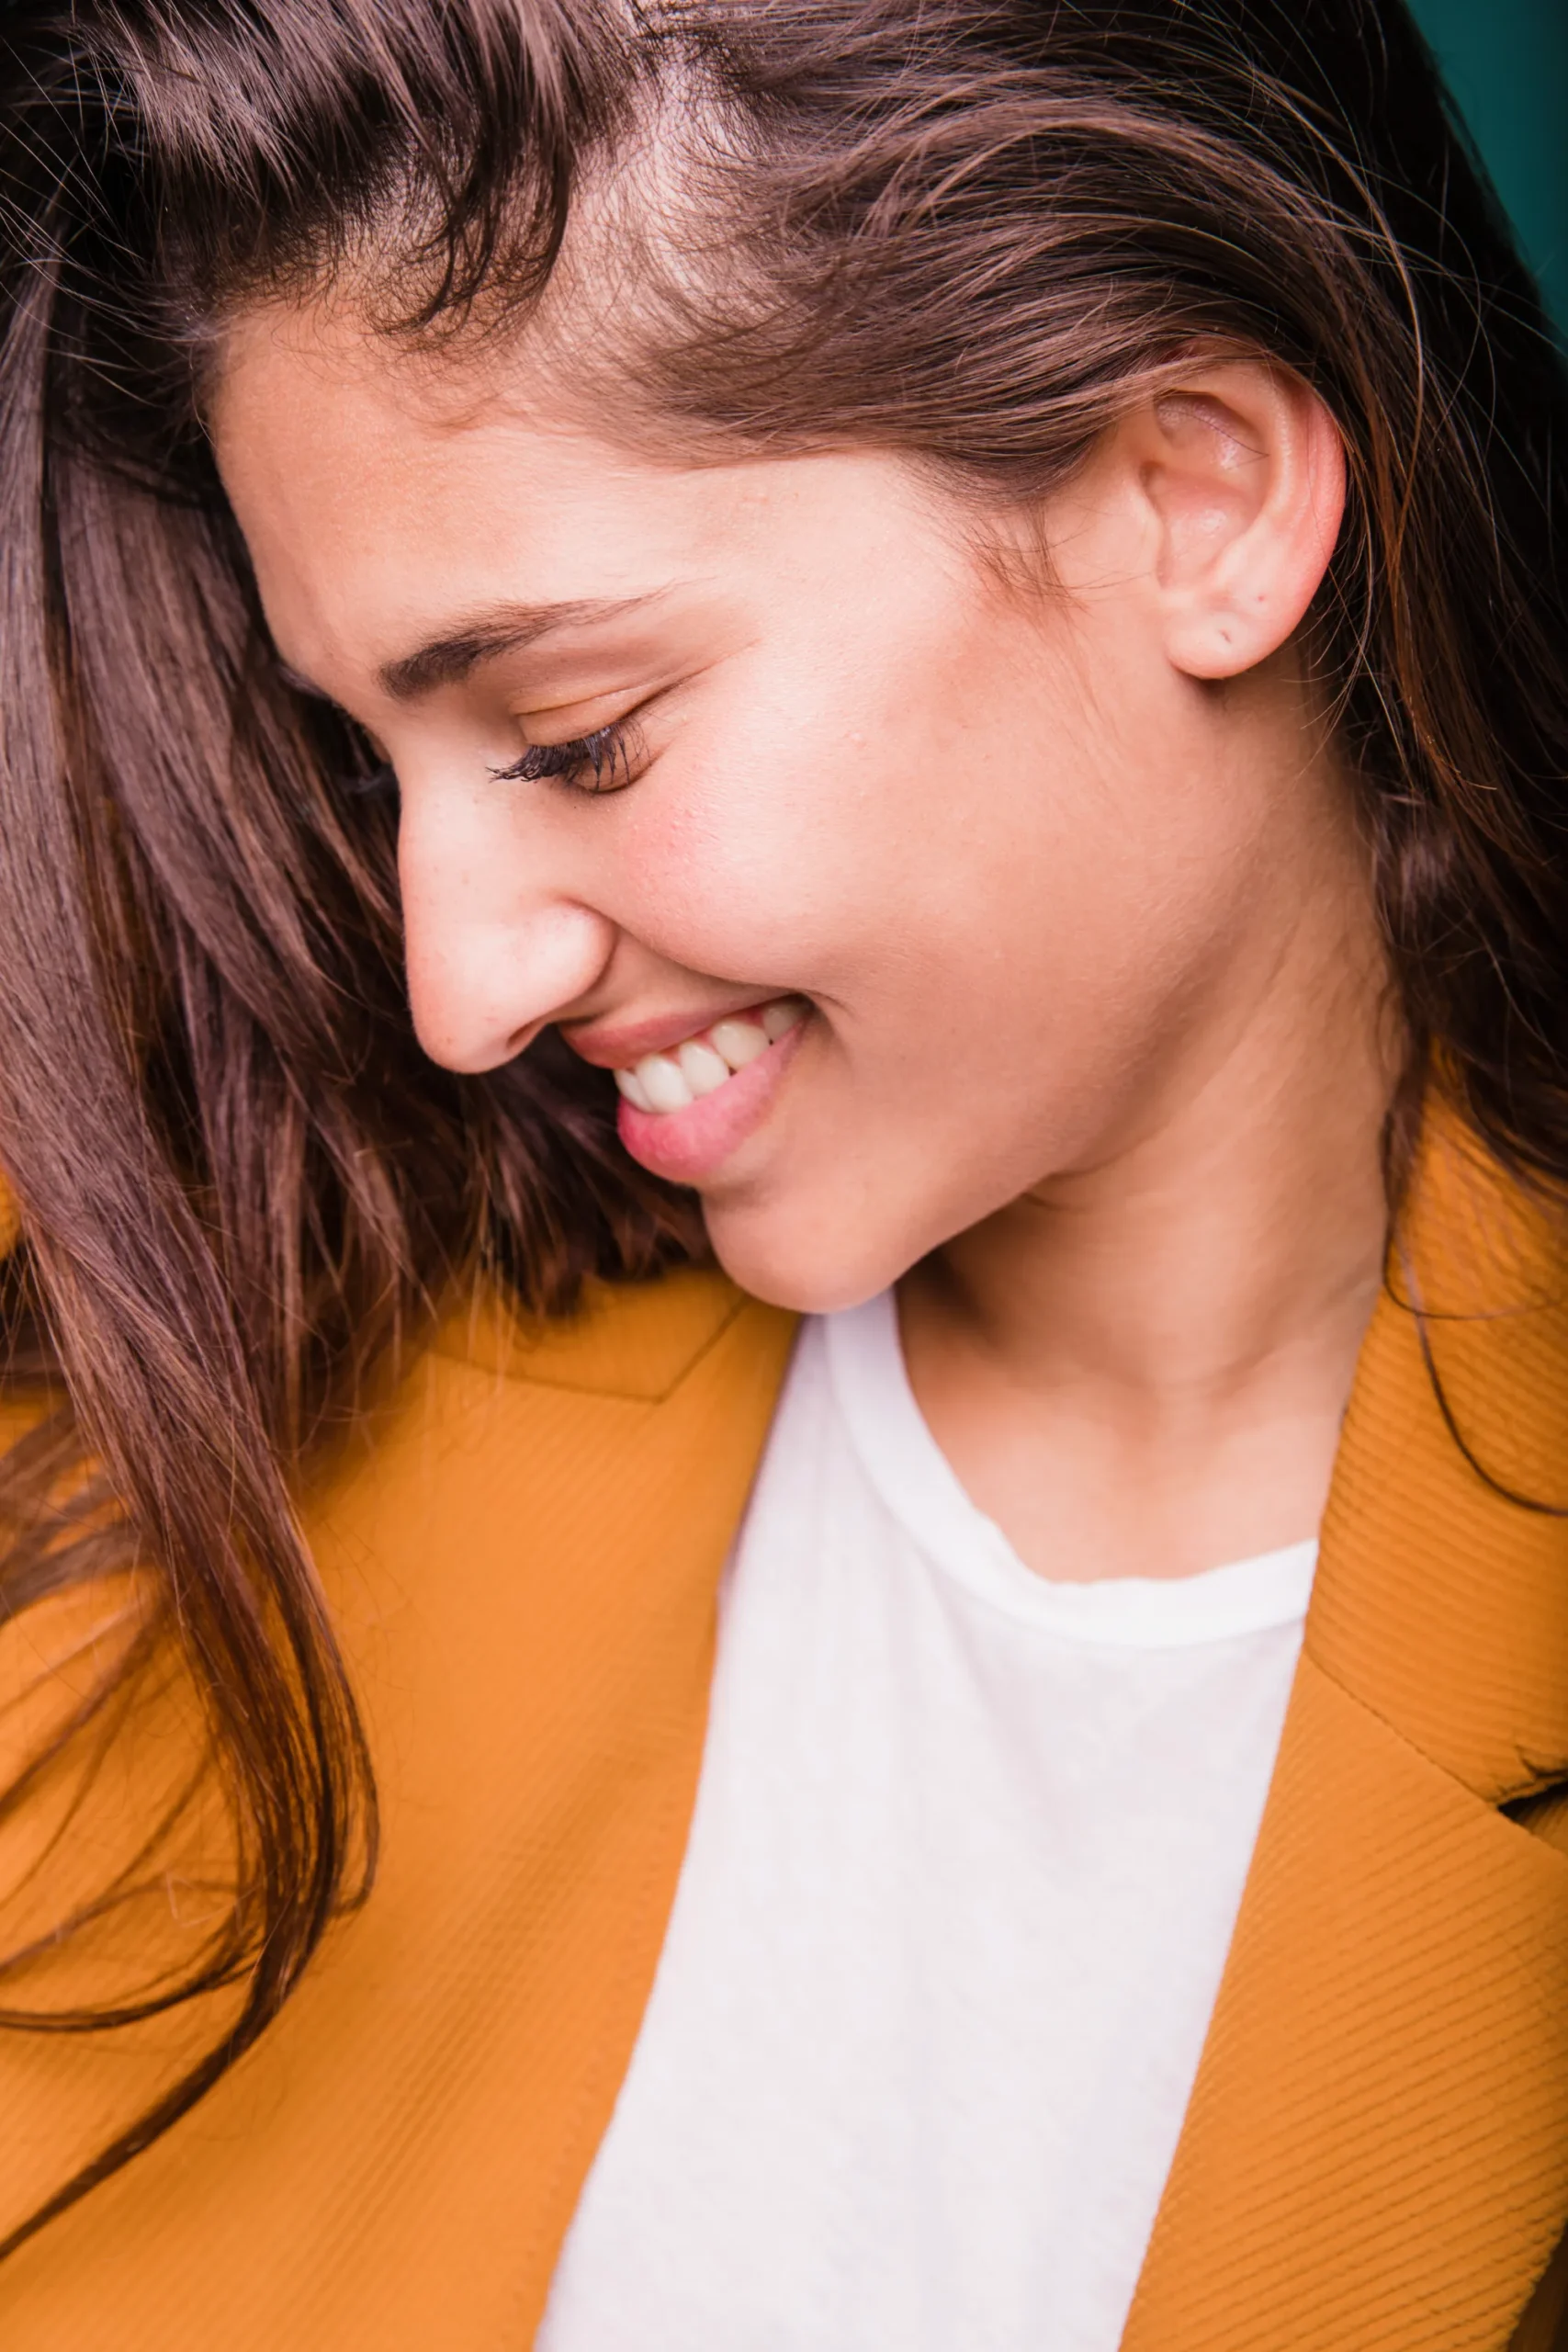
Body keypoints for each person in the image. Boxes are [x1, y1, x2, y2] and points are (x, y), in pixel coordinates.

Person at [0, 0, 1565, 2343]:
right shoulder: (211, 1363)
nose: (458, 991)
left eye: (577, 735)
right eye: (368, 765)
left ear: (1197, 497)